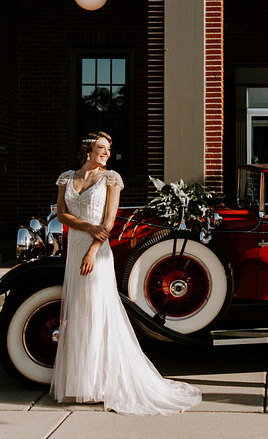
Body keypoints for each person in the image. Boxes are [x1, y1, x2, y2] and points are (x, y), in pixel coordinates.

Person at [52, 131, 202, 414]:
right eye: (101, 148)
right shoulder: (66, 178)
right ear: (87, 150)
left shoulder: (111, 179)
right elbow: (61, 214)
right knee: (78, 312)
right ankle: (81, 384)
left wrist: (93, 250)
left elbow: (108, 222)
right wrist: (86, 228)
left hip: (97, 253)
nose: (106, 153)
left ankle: (102, 384)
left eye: (108, 148)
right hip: (77, 250)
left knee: (97, 312)